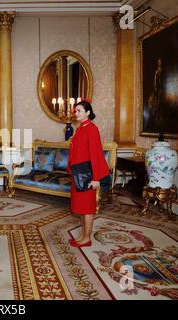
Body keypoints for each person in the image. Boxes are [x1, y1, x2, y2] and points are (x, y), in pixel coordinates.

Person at [67, 100, 109, 247]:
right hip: (78, 173)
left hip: (87, 174)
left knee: (87, 208)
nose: (76, 113)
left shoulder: (92, 129)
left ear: (88, 112)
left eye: (79, 111)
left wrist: (96, 179)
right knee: (81, 208)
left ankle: (87, 238)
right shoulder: (80, 128)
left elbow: (95, 154)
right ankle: (83, 236)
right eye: (75, 111)